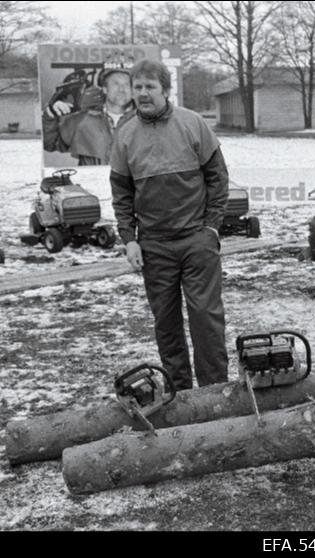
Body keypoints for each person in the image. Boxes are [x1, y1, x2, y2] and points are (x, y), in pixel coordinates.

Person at [109, 59, 230, 390]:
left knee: (206, 320)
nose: (143, 94)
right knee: (166, 323)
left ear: (165, 89)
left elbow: (218, 178)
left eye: (150, 86)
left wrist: (212, 228)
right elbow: (121, 193)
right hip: (154, 245)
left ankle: (215, 392)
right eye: (138, 87)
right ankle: (180, 396)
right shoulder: (125, 134)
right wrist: (130, 240)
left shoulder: (192, 124)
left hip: (196, 241)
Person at [42, 66, 136, 166]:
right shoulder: (82, 120)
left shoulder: (146, 123)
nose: (122, 89)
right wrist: (50, 114)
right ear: (105, 89)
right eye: (116, 84)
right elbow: (50, 144)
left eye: (127, 85)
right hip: (92, 180)